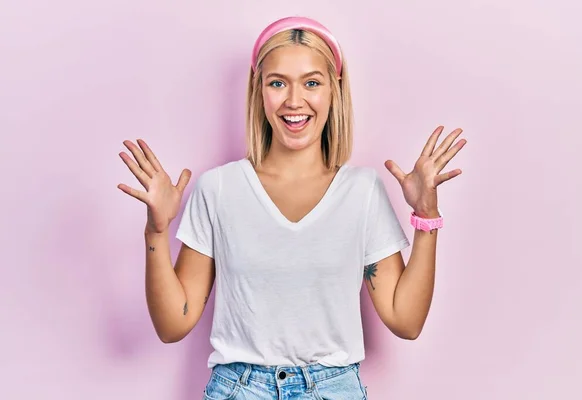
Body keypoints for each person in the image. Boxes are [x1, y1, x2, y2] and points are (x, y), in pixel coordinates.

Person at [117, 16, 466, 400]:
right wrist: (156, 231)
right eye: (277, 82)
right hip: (239, 390)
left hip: (335, 390)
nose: (294, 101)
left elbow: (406, 320)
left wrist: (426, 218)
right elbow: (173, 324)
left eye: (311, 83)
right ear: (259, 90)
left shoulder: (362, 192)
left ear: (334, 90)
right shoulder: (218, 189)